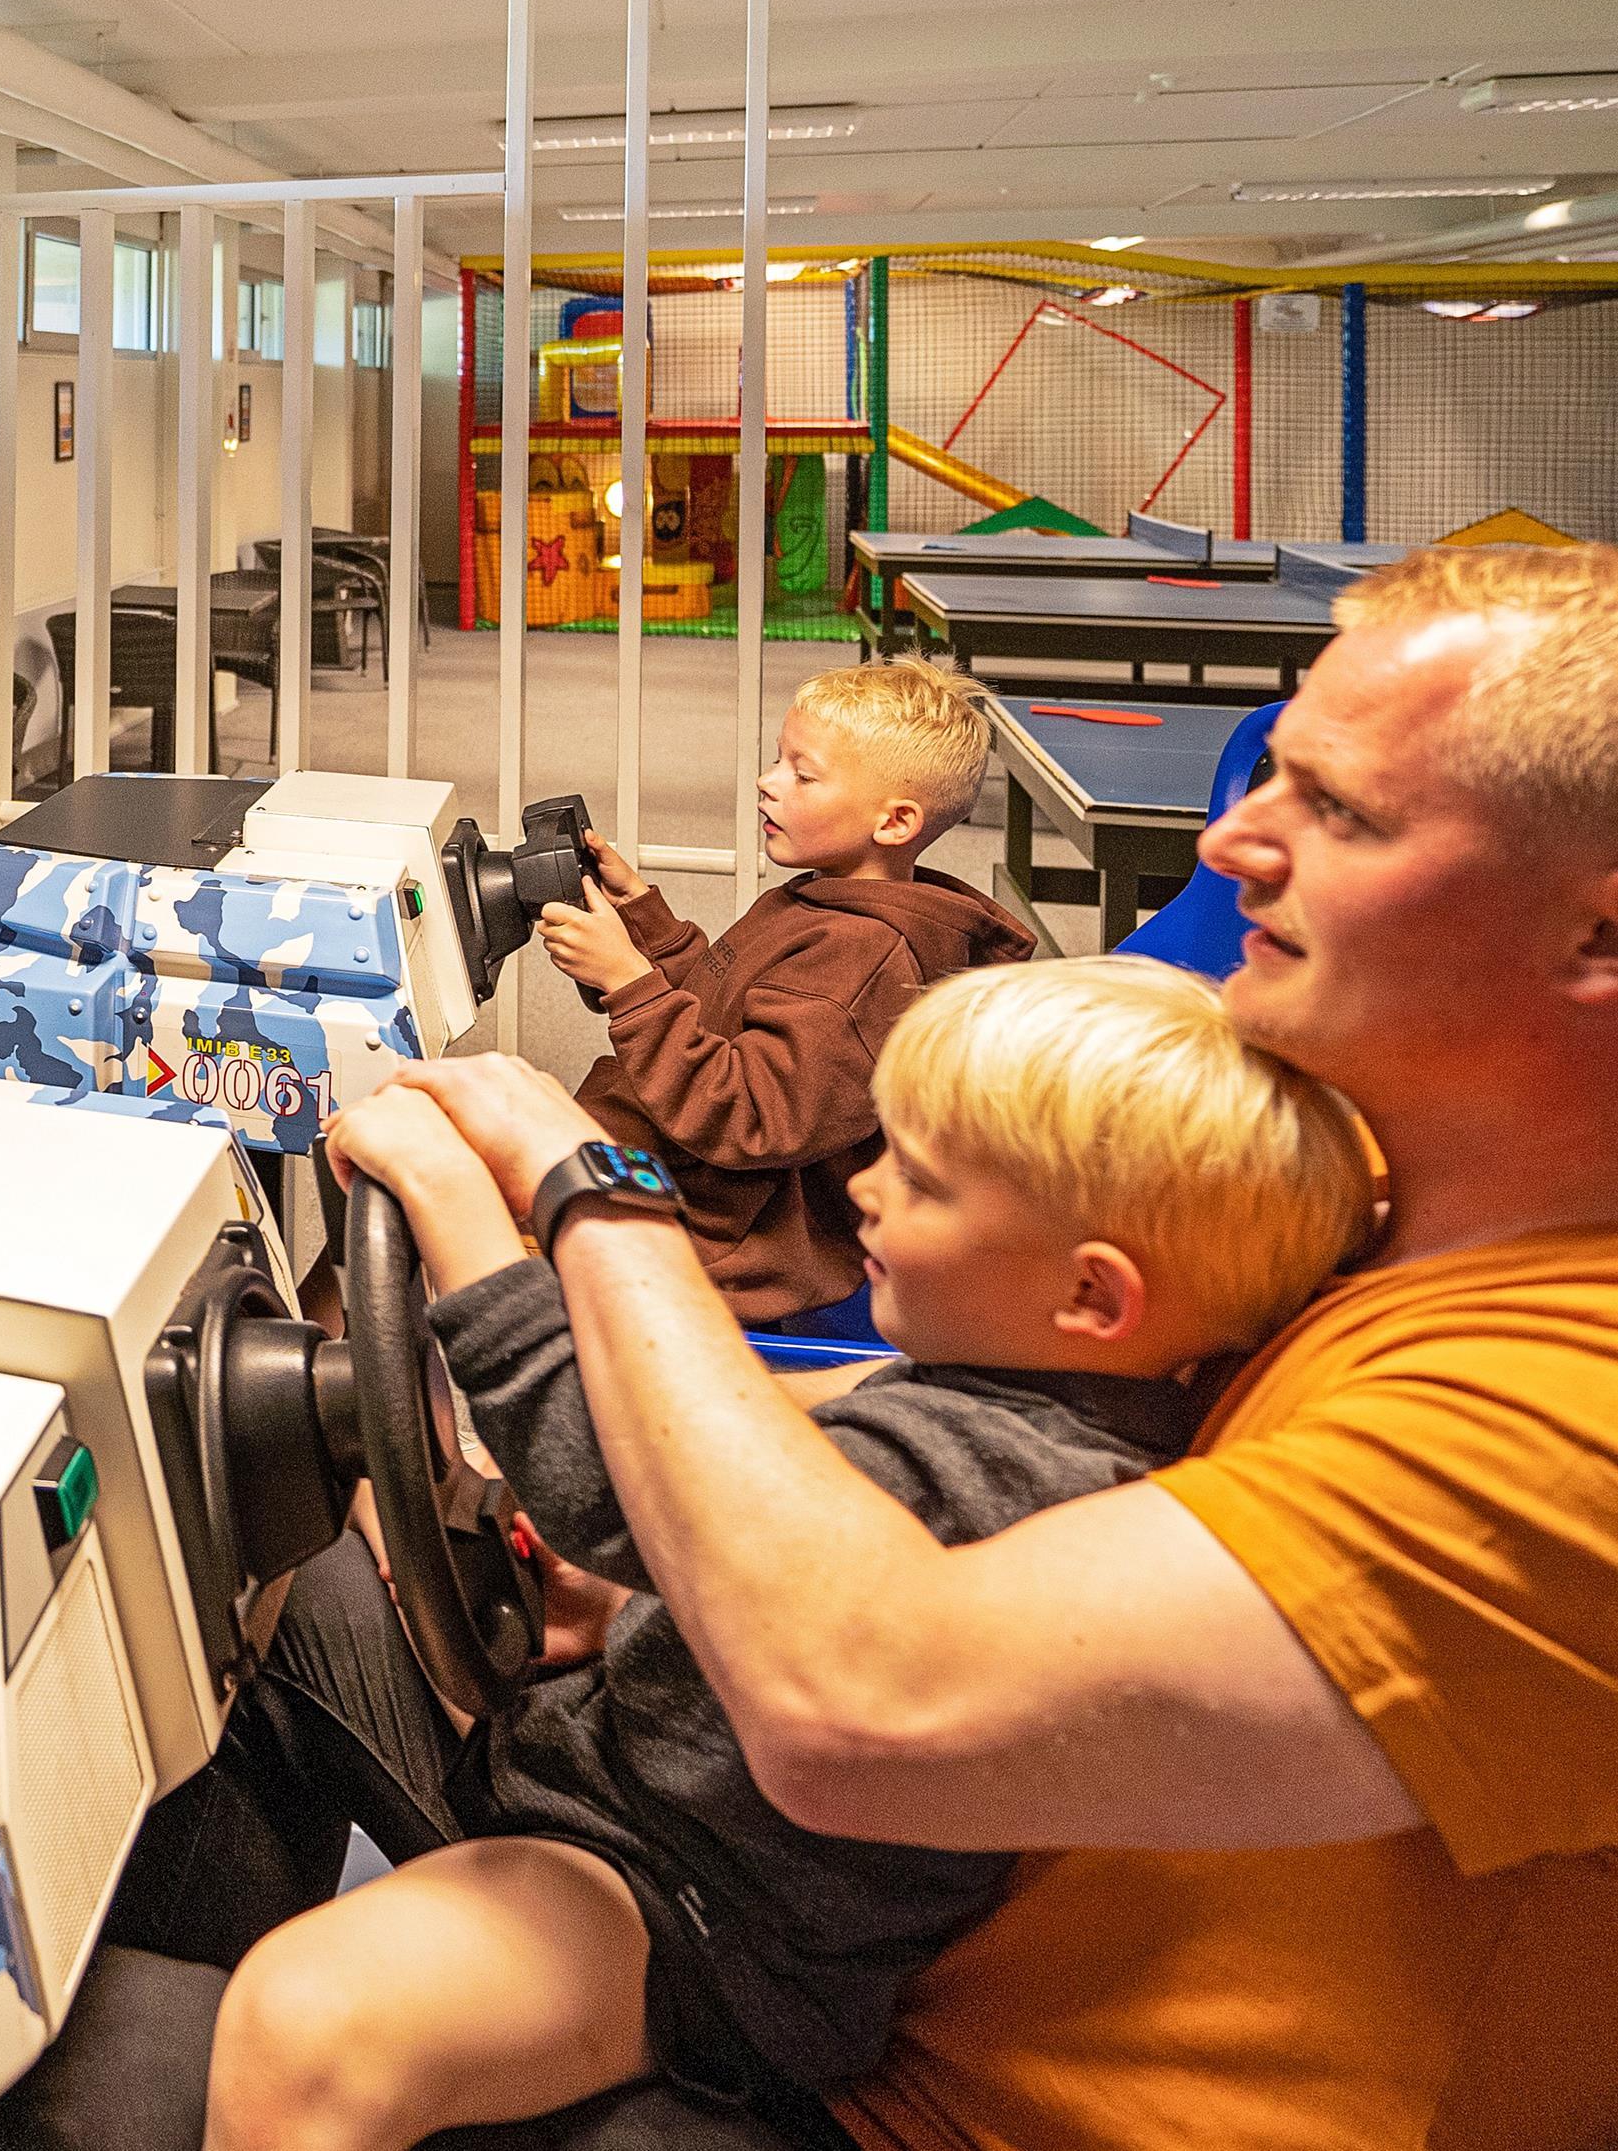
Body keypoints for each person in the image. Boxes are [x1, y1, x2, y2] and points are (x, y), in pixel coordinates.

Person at [341, 544, 1618, 2149]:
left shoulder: (1565, 1403)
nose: (1229, 839)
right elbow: (1022, 1442)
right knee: (300, 1604)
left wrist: (579, 1189)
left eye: (1340, 811)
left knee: (221, 2040)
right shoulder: (1368, 1191)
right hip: (877, 1966)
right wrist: (677, 1541)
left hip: (901, 2085)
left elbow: (853, 1703)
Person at [201, 959, 1374, 2151]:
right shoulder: (1011, 1390)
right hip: (611, 1768)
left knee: (305, 2027)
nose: (862, 1187)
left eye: (920, 1181)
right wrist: (628, 1612)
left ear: (1089, 1296)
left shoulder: (1000, 1473)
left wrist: (452, 1202)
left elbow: (610, 1475)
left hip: (686, 1905)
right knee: (293, 1581)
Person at [532, 659, 1032, 1325]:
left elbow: (747, 1115)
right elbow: (725, 1012)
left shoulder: (860, 958)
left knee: (459, 1179)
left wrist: (629, 983)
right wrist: (643, 922)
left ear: (893, 822)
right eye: (777, 760)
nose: (767, 782)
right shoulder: (827, 900)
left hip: (722, 1241)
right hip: (683, 1173)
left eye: (803, 774)